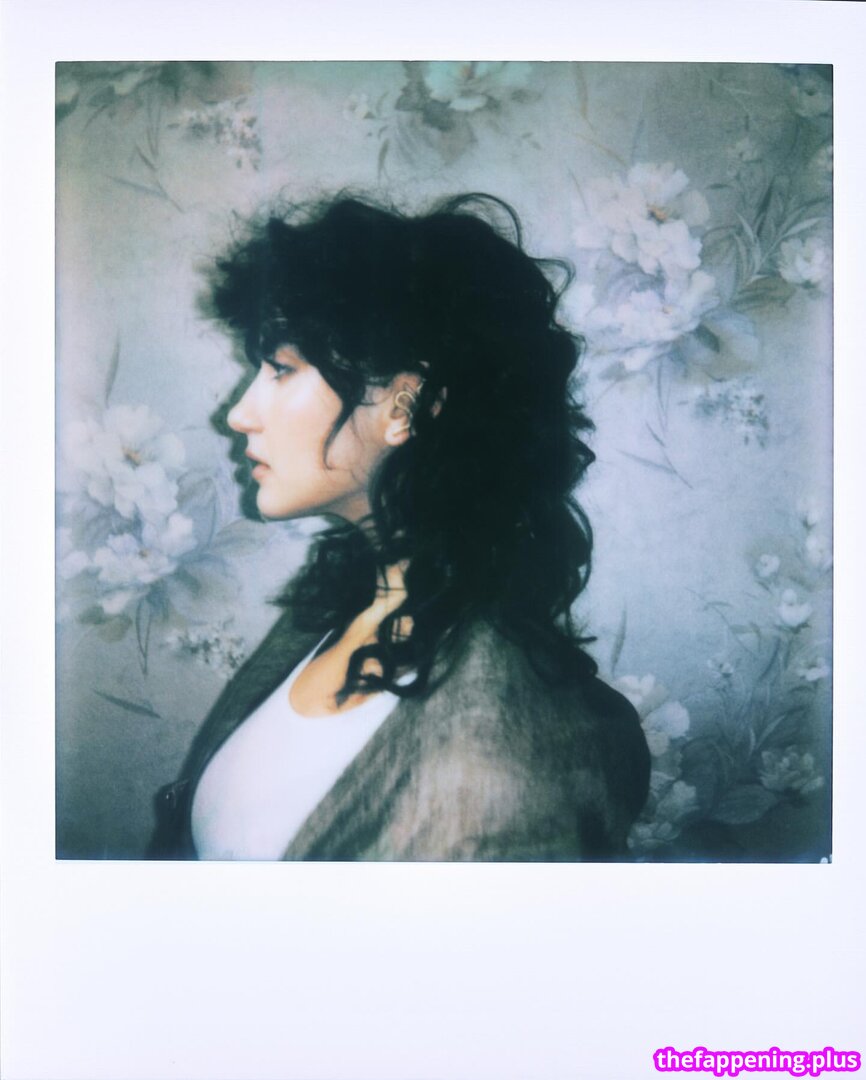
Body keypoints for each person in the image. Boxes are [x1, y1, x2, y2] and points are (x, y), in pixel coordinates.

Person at [148, 193, 650, 861]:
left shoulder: (491, 780)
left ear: (404, 404)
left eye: (281, 369)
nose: (238, 414)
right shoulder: (352, 600)